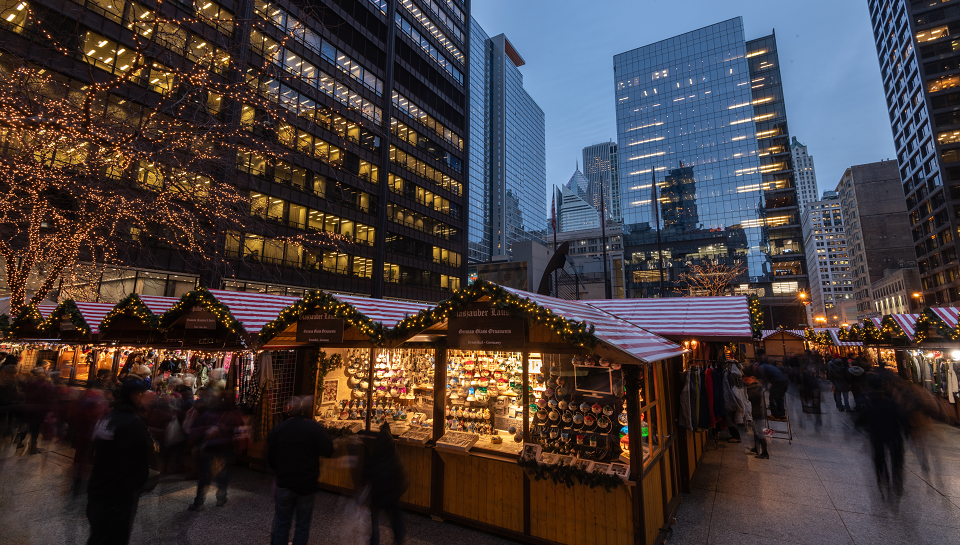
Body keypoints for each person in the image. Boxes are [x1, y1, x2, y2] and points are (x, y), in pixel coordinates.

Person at [86, 378, 156, 545]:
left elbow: (92, 450)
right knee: (114, 537)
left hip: (98, 487)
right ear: (134, 396)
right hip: (119, 493)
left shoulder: (106, 418)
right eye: (141, 395)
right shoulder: (132, 423)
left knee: (97, 535)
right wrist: (140, 483)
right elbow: (140, 457)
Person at [267, 396, 334, 545]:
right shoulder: (313, 428)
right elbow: (329, 450)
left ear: (288, 411)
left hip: (284, 483)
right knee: (302, 527)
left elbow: (270, 458)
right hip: (306, 485)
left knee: (282, 525)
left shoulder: (279, 428)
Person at [188, 390, 243, 510]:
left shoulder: (208, 414)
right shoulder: (233, 414)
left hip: (210, 447)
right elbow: (239, 428)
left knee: (205, 475)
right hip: (227, 447)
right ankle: (221, 497)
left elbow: (196, 430)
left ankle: (199, 502)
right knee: (224, 473)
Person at [364, 422, 409, 545]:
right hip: (392, 491)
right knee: (396, 517)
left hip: (378, 492)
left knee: (374, 521)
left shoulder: (376, 453)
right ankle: (399, 539)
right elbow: (401, 473)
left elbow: (368, 470)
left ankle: (374, 542)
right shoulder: (394, 455)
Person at [744, 374, 768, 459]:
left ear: (756, 379)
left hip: (758, 413)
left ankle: (765, 452)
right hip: (755, 412)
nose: (750, 380)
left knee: (759, 432)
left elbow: (751, 397)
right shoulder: (754, 387)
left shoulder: (756, 388)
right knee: (755, 431)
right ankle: (756, 449)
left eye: (752, 378)